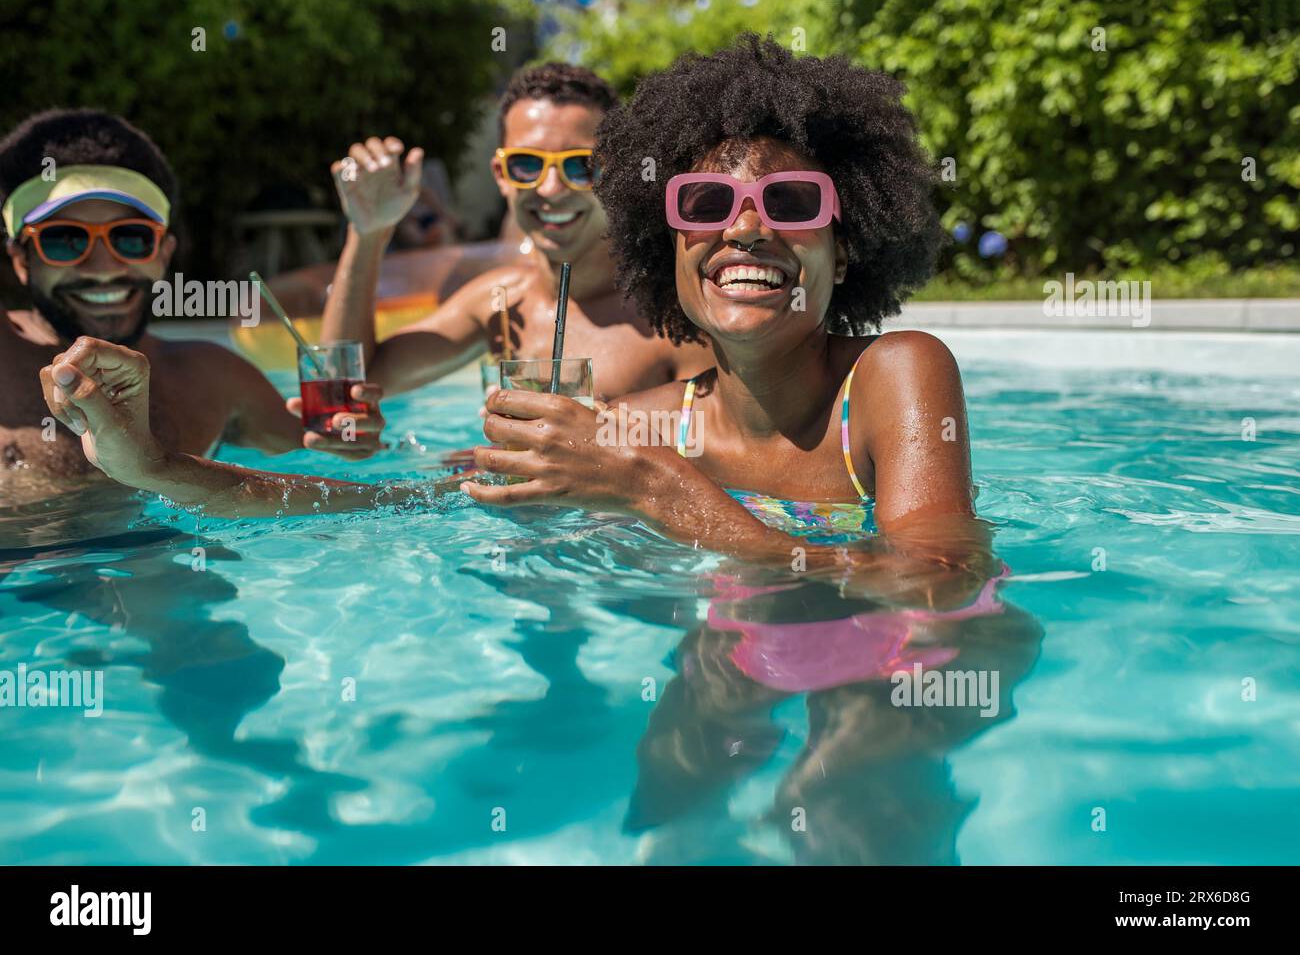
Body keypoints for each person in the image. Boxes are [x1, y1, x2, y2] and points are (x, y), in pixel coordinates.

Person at [41, 37, 997, 606]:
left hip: (882, 688)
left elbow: (937, 582)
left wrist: (656, 490)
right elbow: (378, 501)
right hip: (731, 658)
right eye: (705, 205)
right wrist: (155, 468)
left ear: (849, 240)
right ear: (665, 240)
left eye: (791, 203)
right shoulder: (634, 423)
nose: (746, 229)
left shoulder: (893, 376)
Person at [0, 109, 384, 506]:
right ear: (20, 259)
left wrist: (354, 439)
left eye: (131, 238)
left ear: (164, 253)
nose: (103, 269)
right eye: (64, 240)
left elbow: (336, 475)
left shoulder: (214, 377)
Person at [318, 62, 713, 402]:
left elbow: (732, 463)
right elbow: (346, 387)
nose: (550, 189)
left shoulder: (674, 321)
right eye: (527, 165)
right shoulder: (502, 306)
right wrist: (368, 233)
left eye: (581, 166)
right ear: (500, 176)